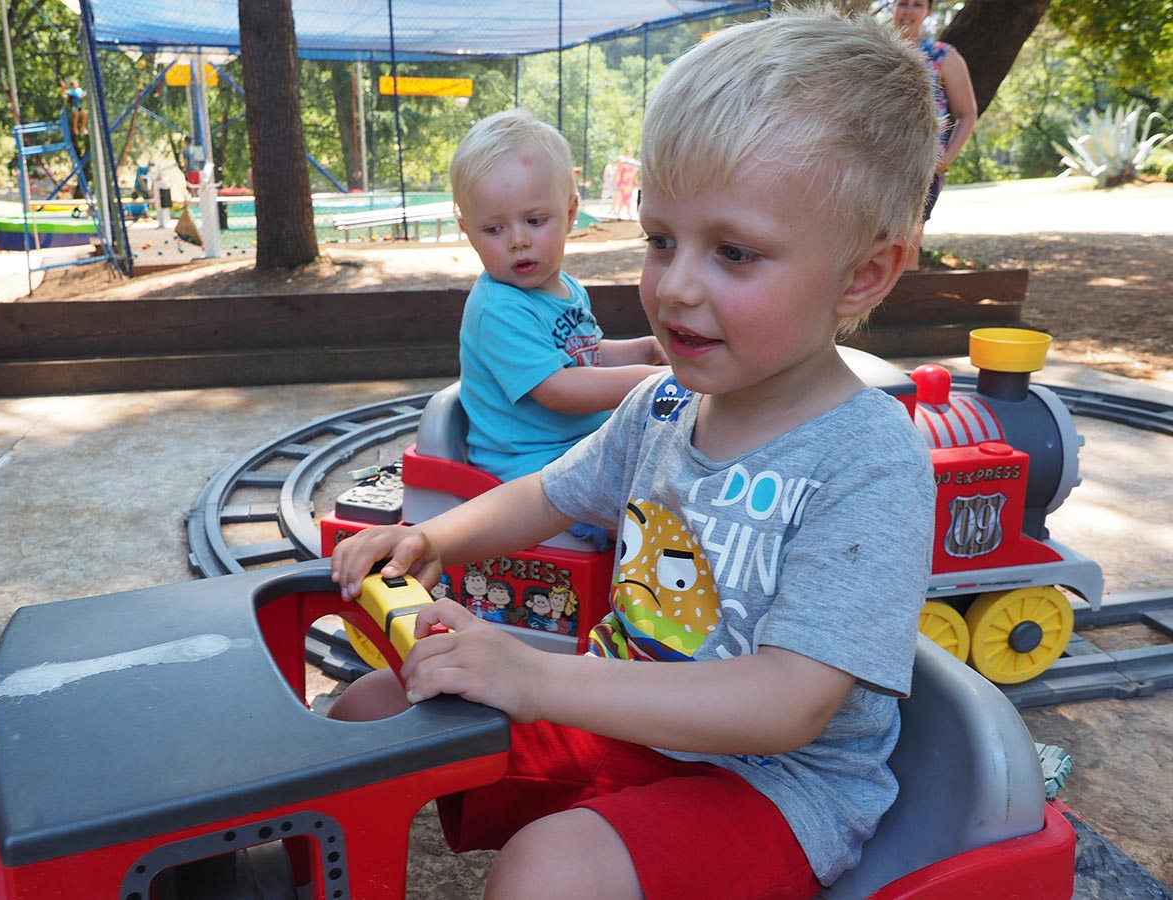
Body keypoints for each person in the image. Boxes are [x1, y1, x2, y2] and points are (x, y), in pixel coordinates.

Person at [330, 9, 938, 899]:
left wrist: (536, 677)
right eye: (660, 240)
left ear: (863, 275)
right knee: (370, 713)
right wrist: (430, 540)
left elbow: (787, 704)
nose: (674, 286)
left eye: (734, 252)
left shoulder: (868, 460)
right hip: (621, 715)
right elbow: (548, 493)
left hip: (772, 785)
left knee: (545, 871)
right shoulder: (662, 405)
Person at [448, 109, 667, 486]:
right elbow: (559, 389)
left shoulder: (566, 287)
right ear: (468, 232)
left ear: (570, 213)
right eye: (494, 229)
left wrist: (644, 350)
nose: (518, 240)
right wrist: (652, 381)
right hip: (528, 465)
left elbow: (586, 354)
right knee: (653, 490)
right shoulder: (498, 308)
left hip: (580, 447)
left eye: (534, 221)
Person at [891, 0, 978, 269]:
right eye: (902, 3)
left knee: (904, 247)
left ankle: (907, 294)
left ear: (928, 11)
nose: (909, 11)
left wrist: (945, 160)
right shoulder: (873, 49)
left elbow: (967, 113)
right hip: (874, 163)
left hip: (921, 169)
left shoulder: (942, 55)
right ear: (892, 7)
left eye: (917, 4)